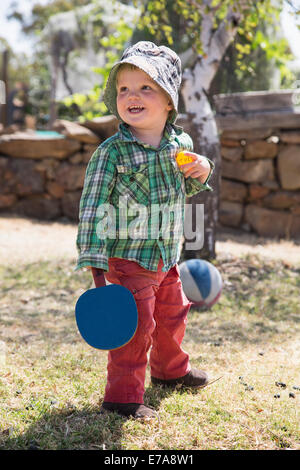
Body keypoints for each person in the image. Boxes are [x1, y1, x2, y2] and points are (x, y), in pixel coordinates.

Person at [75, 41, 214, 420]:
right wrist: (94, 258)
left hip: (167, 255)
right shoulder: (112, 152)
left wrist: (201, 170)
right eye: (124, 89)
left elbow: (184, 187)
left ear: (168, 100)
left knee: (172, 317)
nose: (131, 96)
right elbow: (92, 205)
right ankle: (122, 396)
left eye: (145, 88)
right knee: (135, 328)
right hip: (128, 258)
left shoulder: (180, 144)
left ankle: (171, 372)